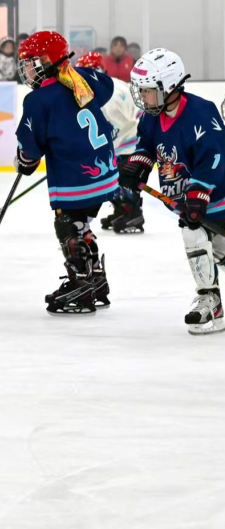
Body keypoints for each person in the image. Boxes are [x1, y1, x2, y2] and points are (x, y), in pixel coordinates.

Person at [120, 49, 225, 334]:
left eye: (148, 90)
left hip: (217, 199)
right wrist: (137, 165)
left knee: (220, 249)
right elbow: (146, 145)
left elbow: (215, 157)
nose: (143, 96)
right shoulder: (151, 117)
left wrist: (199, 192)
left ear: (169, 87)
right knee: (194, 235)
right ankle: (210, 301)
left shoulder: (201, 112)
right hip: (188, 203)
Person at [15, 31, 118, 315]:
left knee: (67, 225)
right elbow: (107, 86)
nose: (27, 71)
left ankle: (81, 283)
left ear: (48, 61)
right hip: (106, 172)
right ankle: (96, 280)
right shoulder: (81, 78)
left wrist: (23, 161)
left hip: (76, 178)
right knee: (82, 224)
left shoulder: (37, 100)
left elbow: (30, 150)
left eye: (31, 63)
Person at [76, 51, 145, 234]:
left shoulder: (111, 92)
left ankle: (132, 213)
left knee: (120, 178)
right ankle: (122, 209)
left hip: (130, 146)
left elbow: (140, 114)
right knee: (107, 178)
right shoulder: (94, 93)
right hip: (122, 145)